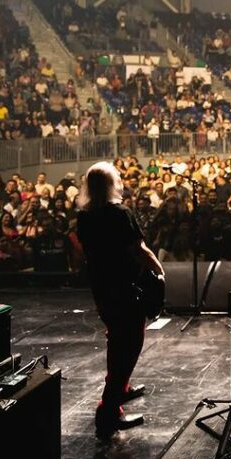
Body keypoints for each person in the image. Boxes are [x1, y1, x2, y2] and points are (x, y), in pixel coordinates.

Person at [76, 161, 165, 438]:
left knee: (116, 336)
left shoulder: (85, 216)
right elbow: (138, 248)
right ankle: (109, 411)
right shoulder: (119, 213)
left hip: (102, 287)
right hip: (125, 286)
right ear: (111, 184)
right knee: (128, 344)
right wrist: (159, 270)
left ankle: (121, 388)